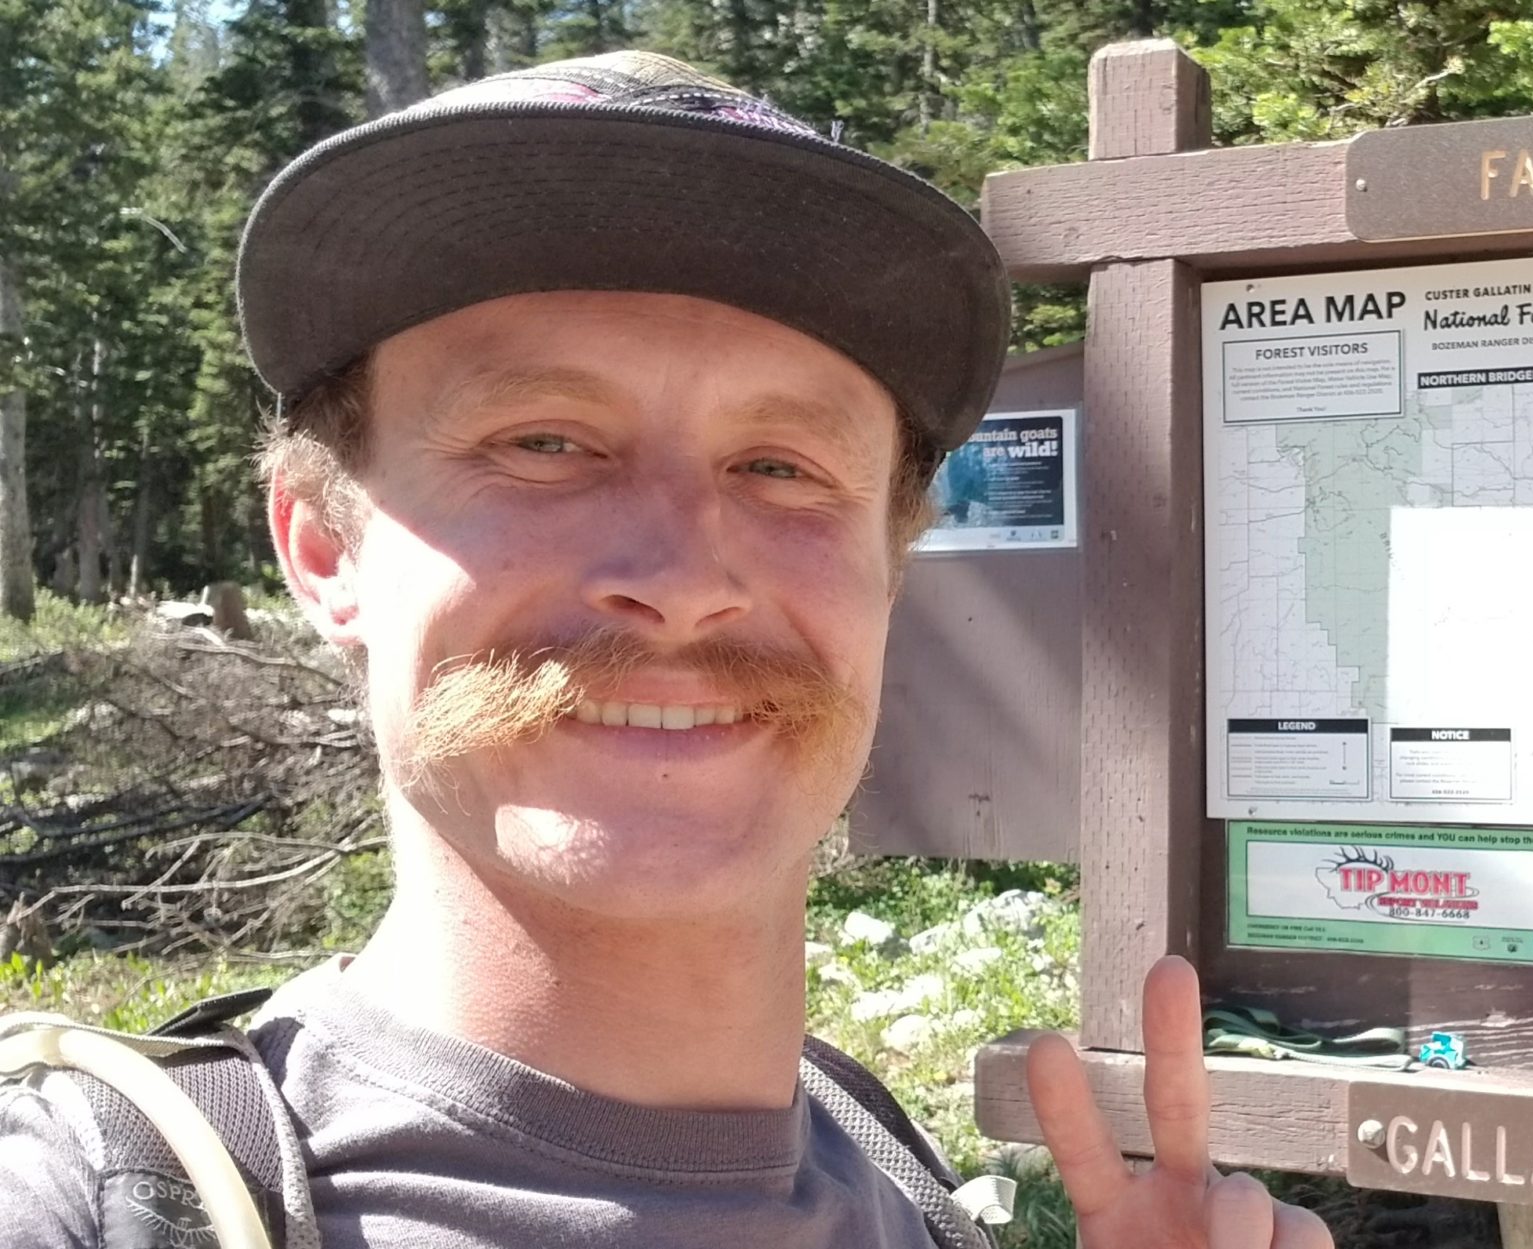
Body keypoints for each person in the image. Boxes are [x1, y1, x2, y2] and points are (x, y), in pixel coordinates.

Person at [0, 52, 1328, 1249]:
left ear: (890, 563)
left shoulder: (903, 1189)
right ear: (326, 546)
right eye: (545, 442)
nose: (683, 578)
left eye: (779, 463)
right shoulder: (97, 1202)